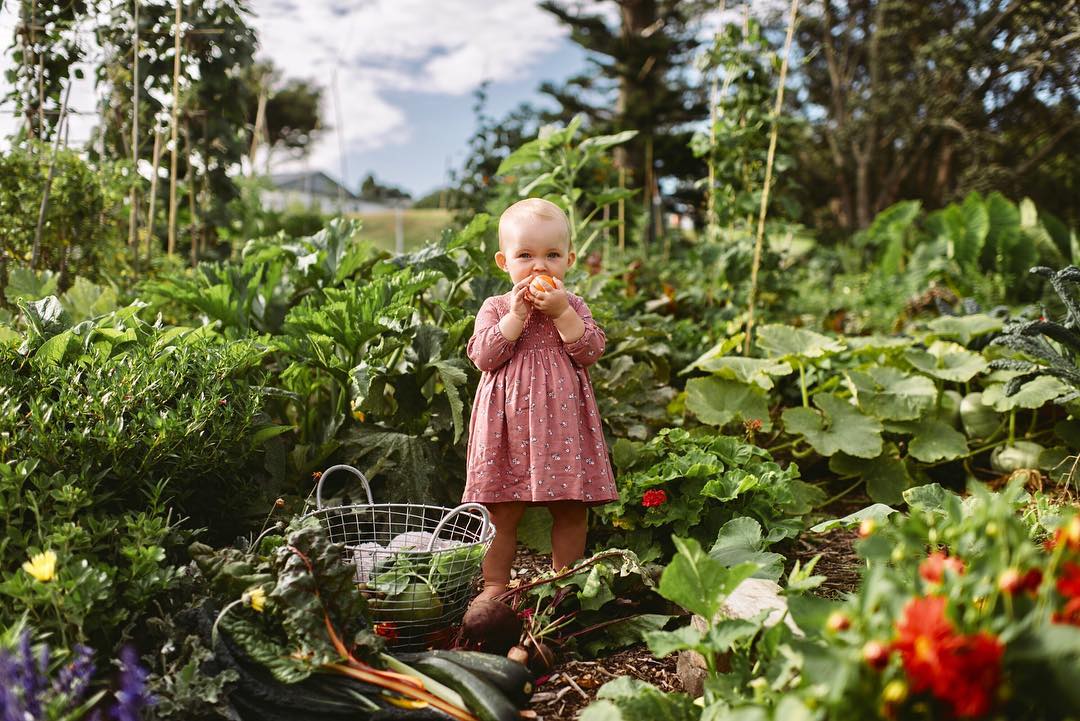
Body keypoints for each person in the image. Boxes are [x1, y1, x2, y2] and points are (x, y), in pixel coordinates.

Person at [464, 197, 617, 603]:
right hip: (507, 427)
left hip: (562, 427)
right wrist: (514, 318)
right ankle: (495, 584)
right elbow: (483, 356)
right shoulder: (496, 307)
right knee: (502, 510)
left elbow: (589, 351)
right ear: (503, 261)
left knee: (570, 506)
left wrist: (563, 313)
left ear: (569, 259)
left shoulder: (574, 306)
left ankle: (563, 581)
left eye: (551, 255)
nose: (539, 266)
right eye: (526, 255)